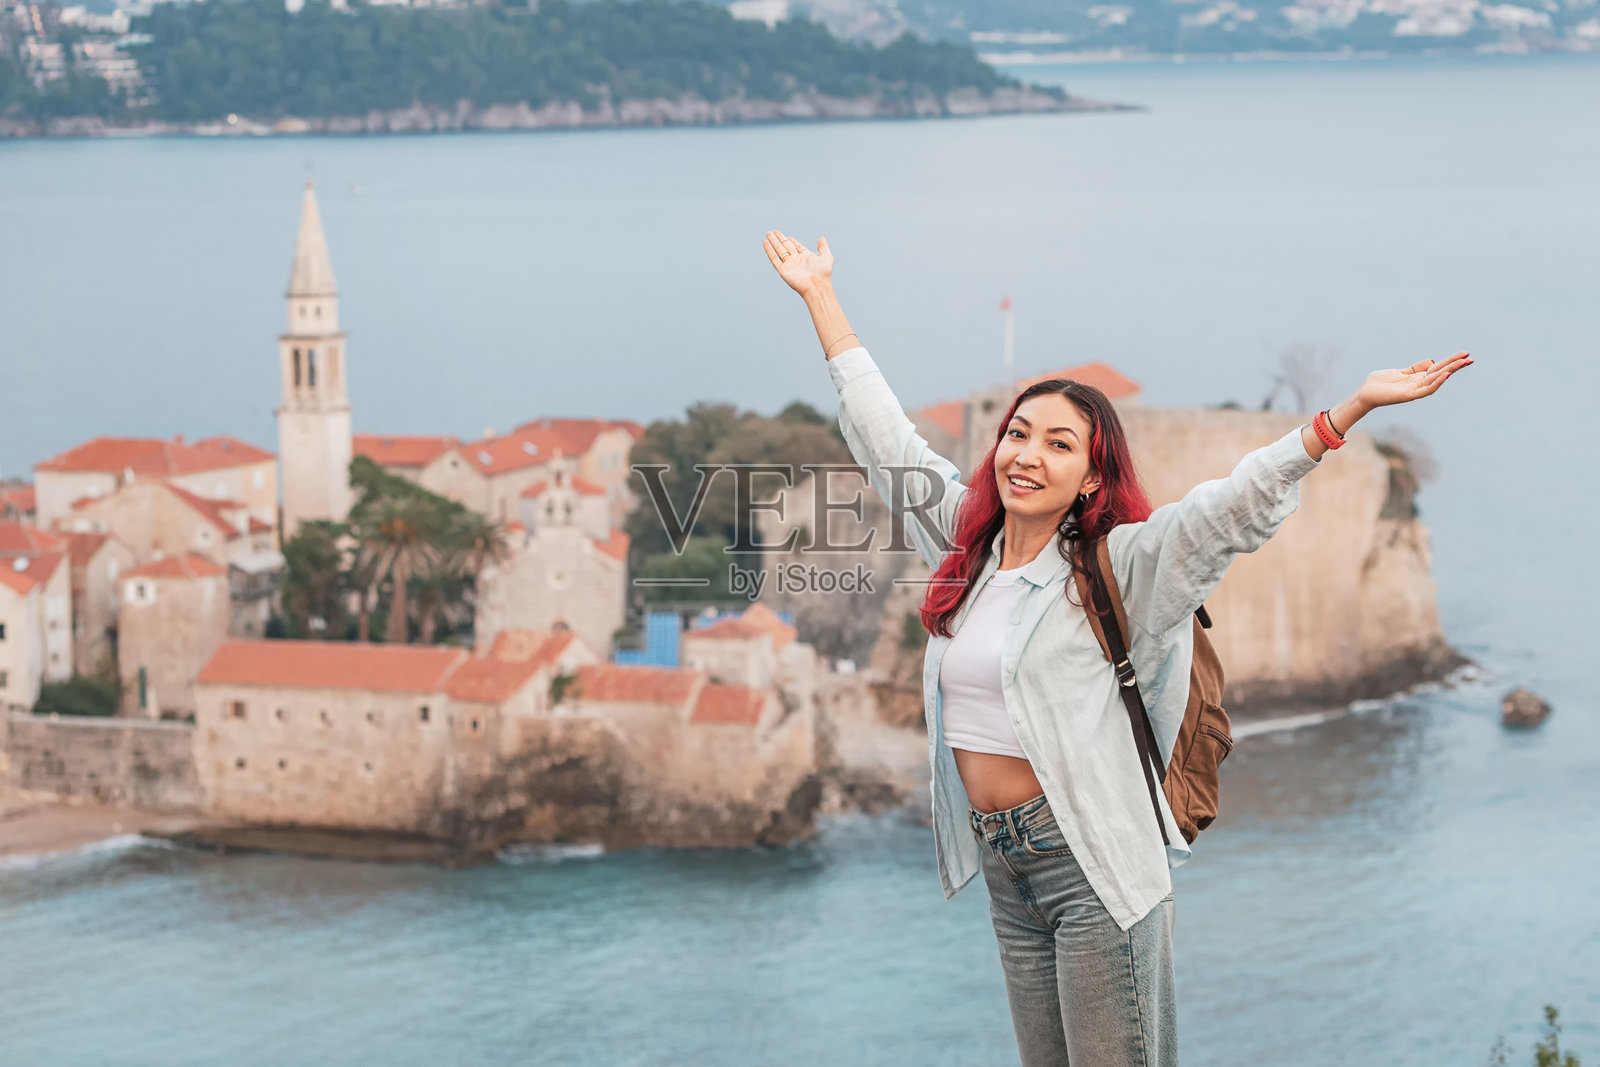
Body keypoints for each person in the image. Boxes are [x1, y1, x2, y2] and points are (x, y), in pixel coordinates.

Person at [762, 229, 1472, 1066]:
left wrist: (1339, 417)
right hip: (1007, 869)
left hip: (1091, 864)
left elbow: (1227, 511)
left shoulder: (1121, 567)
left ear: (1093, 478)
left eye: (1060, 444)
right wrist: (821, 297)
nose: (1027, 453)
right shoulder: (966, 548)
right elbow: (888, 441)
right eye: (1018, 434)